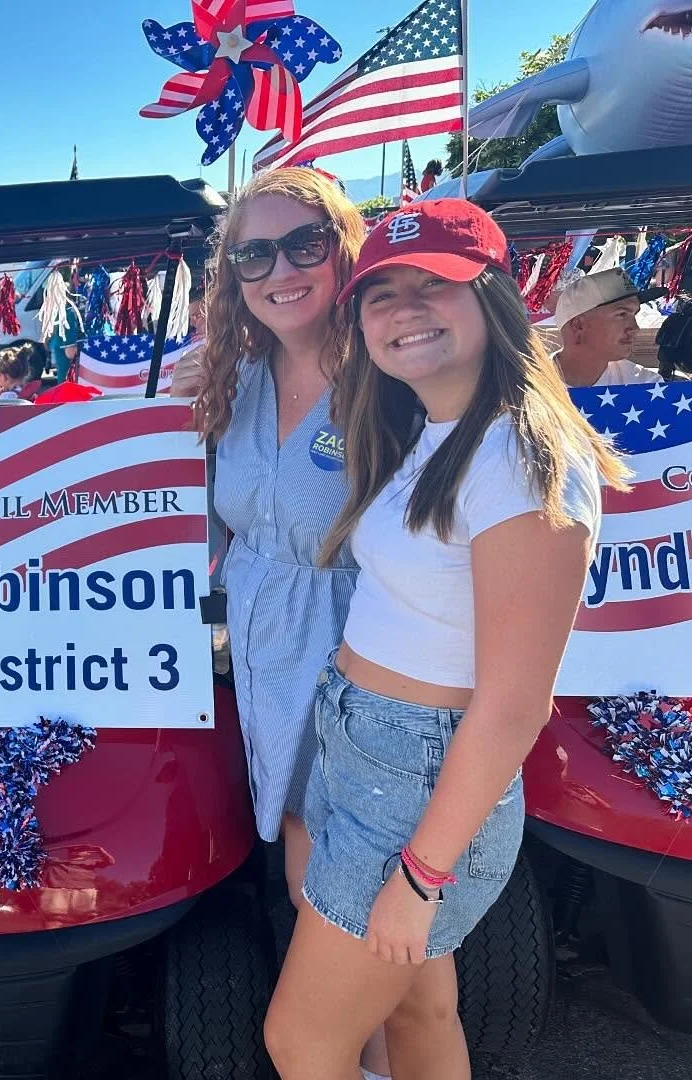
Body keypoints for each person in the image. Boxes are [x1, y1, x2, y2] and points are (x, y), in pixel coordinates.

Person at [263, 200, 626, 1080]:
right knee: (420, 1008)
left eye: (436, 286)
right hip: (362, 743)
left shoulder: (520, 457)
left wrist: (422, 878)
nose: (404, 311)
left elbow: (512, 708)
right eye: (380, 295)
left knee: (303, 1043)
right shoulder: (433, 431)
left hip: (419, 778)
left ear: (493, 297)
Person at [191, 166, 384, 1075]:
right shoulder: (234, 381)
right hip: (270, 662)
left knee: (371, 916)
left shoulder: (389, 371)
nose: (281, 269)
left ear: (342, 247)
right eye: (253, 253)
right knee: (317, 892)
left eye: (305, 243)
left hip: (370, 661)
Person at [552, 269, 663, 387]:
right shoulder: (532, 385)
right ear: (578, 325)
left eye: (634, 314)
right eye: (622, 314)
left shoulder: (647, 385)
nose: (635, 328)